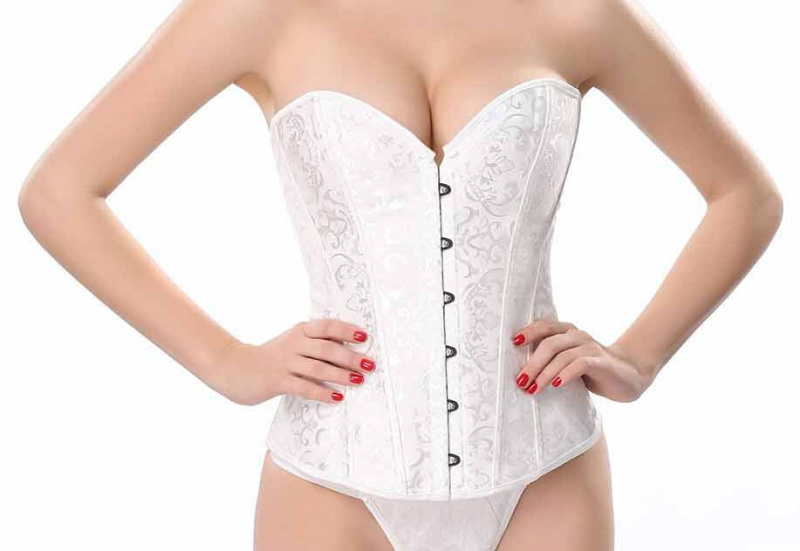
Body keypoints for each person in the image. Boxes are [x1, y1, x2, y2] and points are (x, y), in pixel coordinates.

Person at [17, 0, 783, 550]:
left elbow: (746, 196)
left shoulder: (578, 13)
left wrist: (640, 356)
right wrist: (224, 361)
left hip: (545, 472)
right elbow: (59, 192)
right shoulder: (257, 11)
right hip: (333, 480)